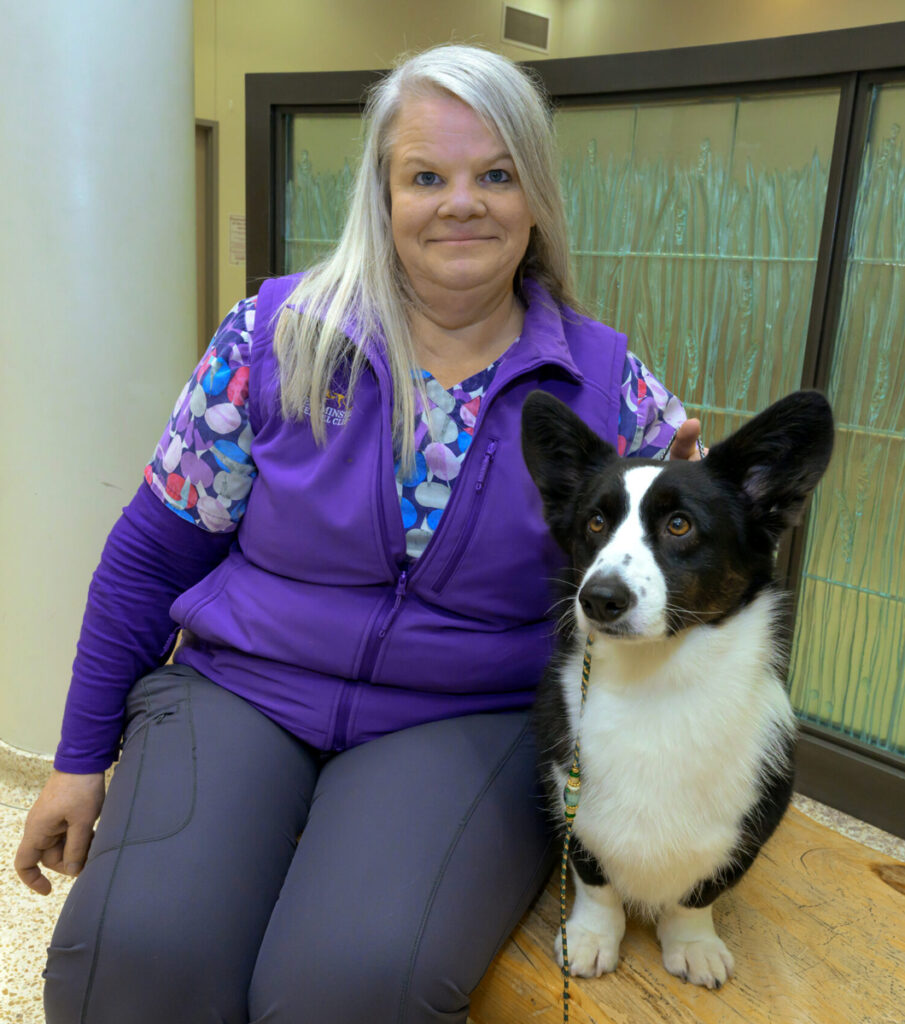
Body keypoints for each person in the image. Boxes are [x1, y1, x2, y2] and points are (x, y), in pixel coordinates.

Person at [16, 43, 702, 1024]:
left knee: (349, 984)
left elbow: (672, 592)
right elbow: (148, 556)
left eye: (494, 174)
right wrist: (79, 760)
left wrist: (691, 530)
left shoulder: (606, 389)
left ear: (534, 196)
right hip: (241, 687)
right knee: (131, 954)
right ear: (381, 195)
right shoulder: (270, 339)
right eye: (425, 175)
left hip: (458, 716)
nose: (459, 202)